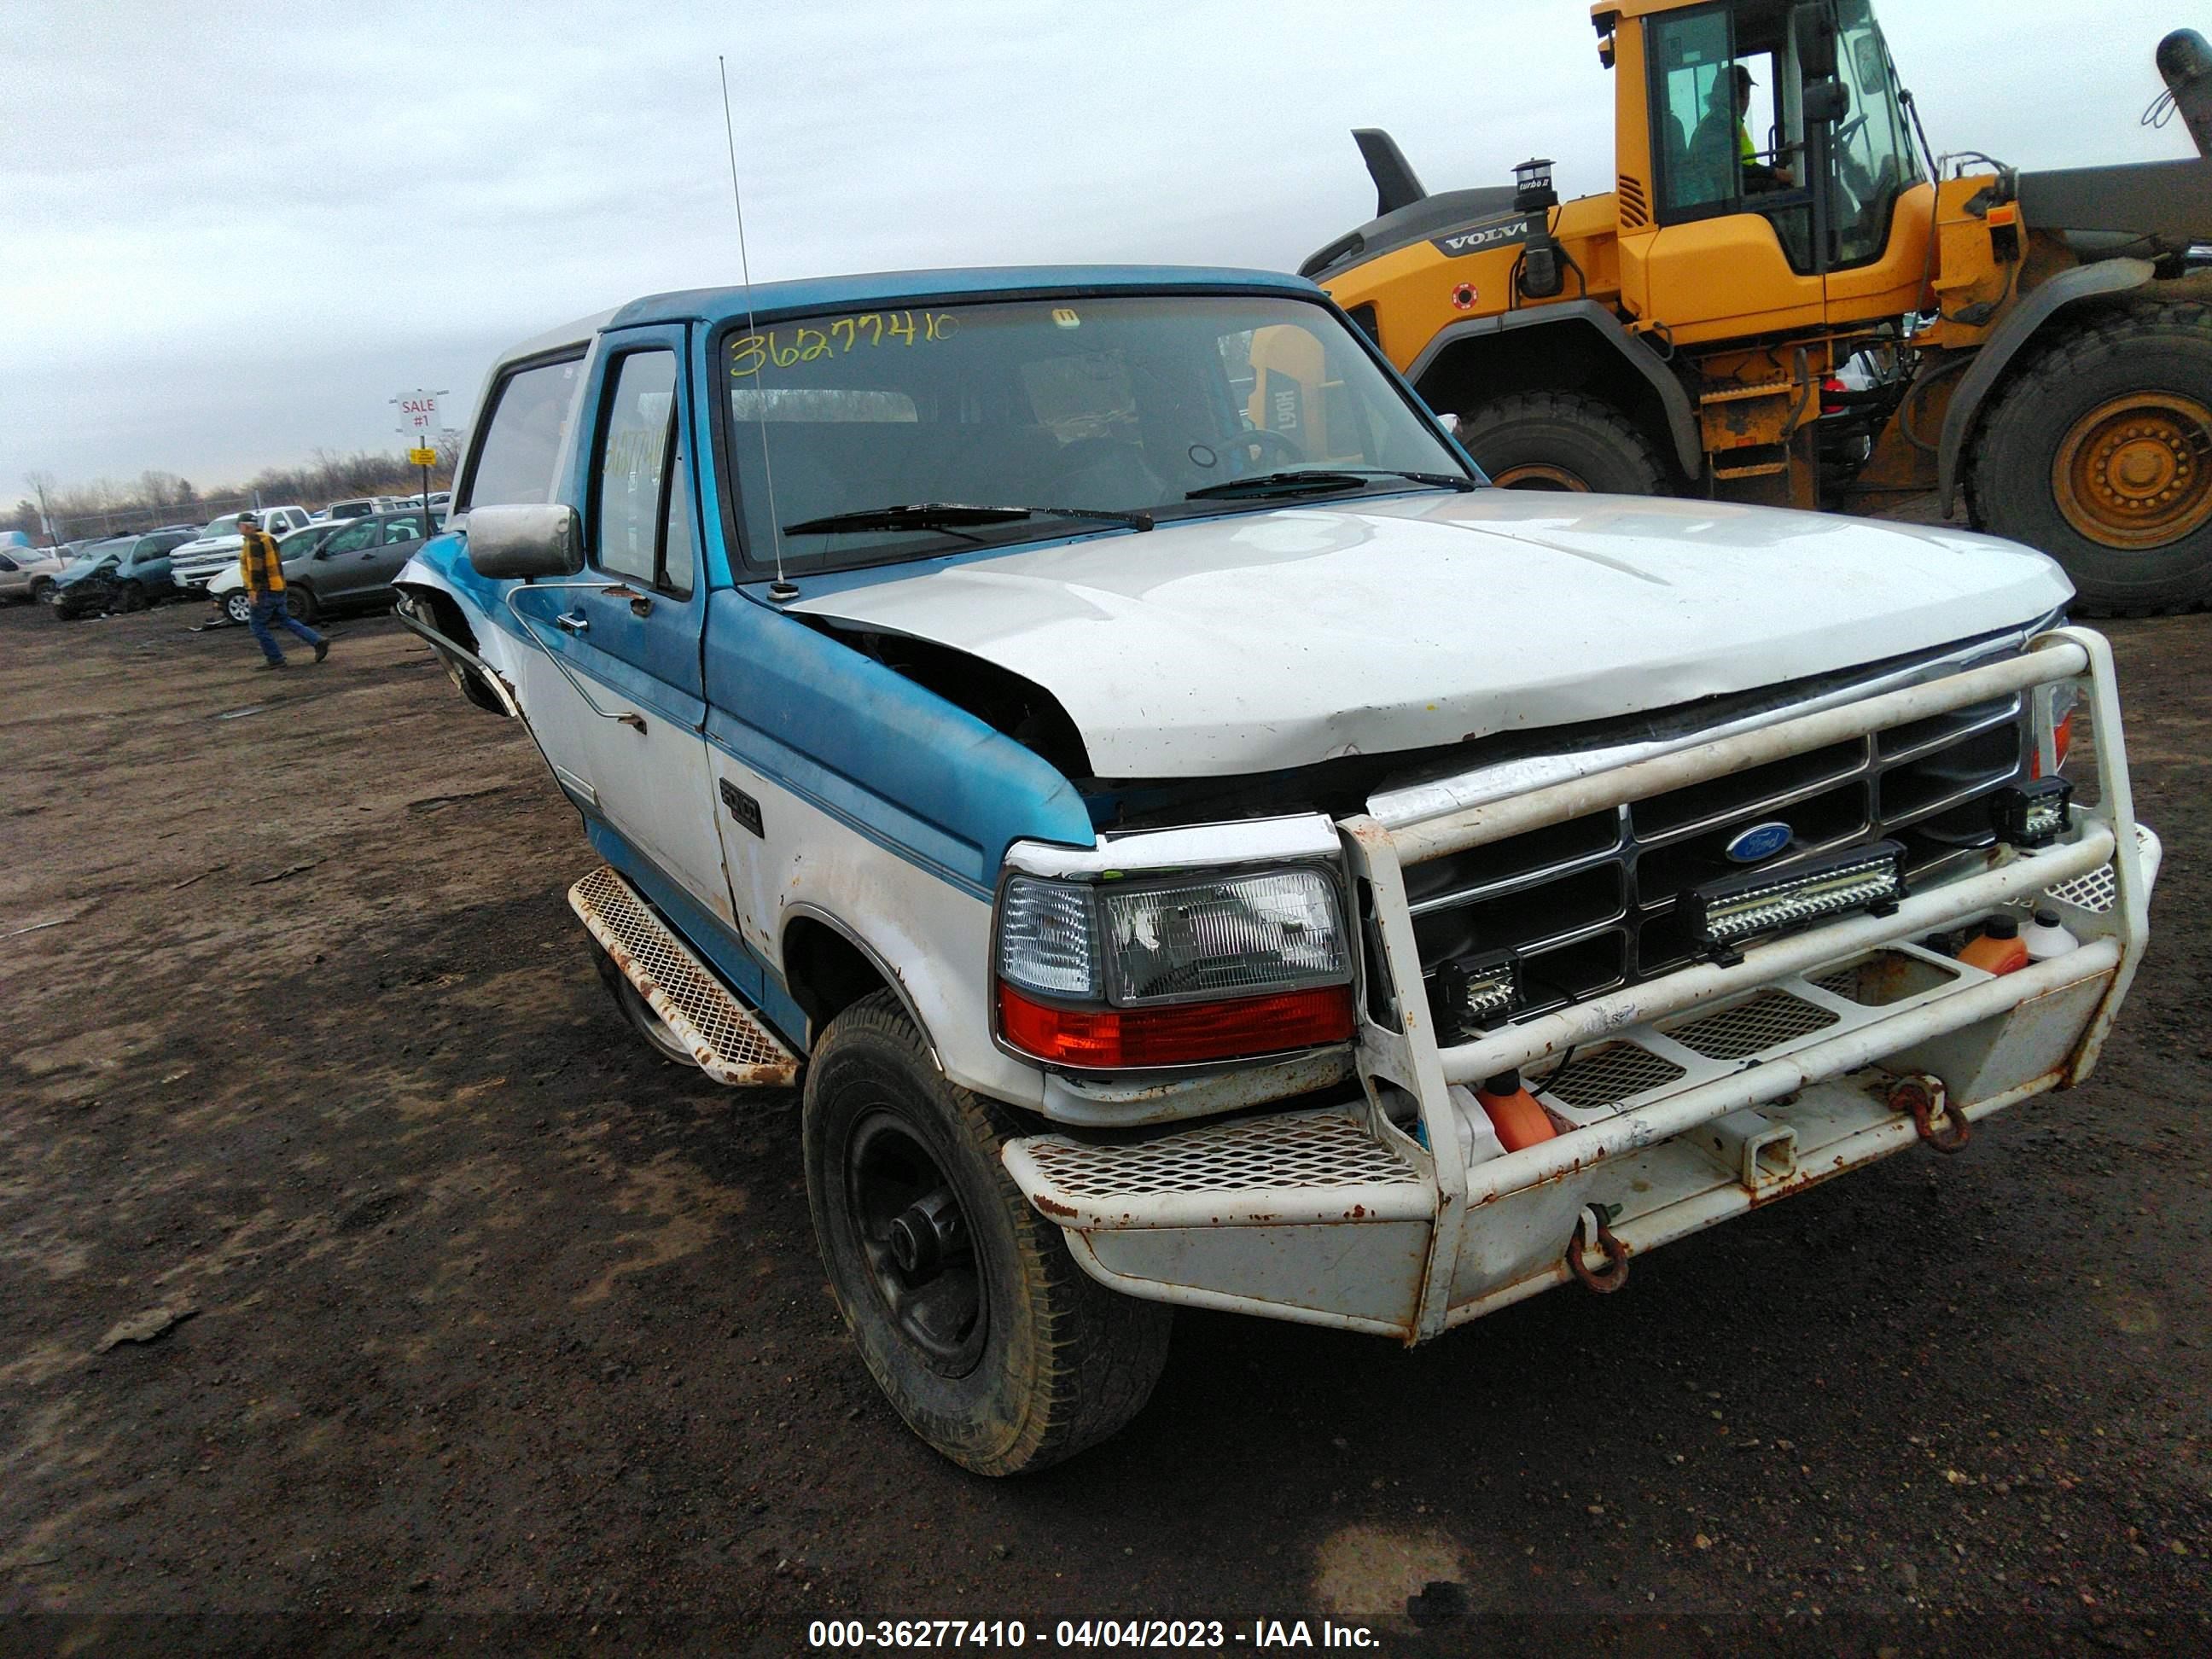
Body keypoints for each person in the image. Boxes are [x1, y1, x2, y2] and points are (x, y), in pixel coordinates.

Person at [237, 512, 328, 670]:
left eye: (239, 526)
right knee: (285, 619)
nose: (239, 529)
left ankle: (275, 658)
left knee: (257, 625)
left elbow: (255, 570)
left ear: (244, 526)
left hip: (264, 590)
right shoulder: (268, 539)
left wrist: (252, 592)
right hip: (279, 586)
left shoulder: (253, 543)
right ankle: (316, 640)